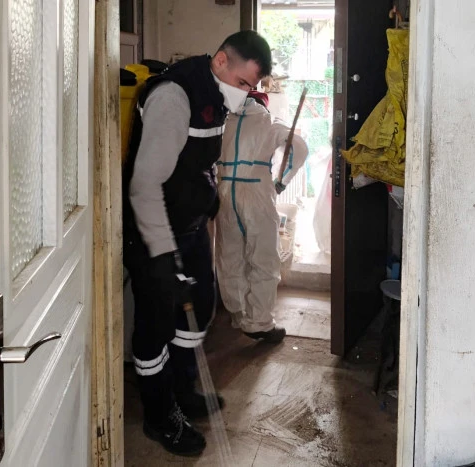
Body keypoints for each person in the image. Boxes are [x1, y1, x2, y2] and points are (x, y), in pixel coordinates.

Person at [122, 31, 272, 457]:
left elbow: (198, 162)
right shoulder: (174, 96)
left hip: (188, 228)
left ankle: (183, 390)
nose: (245, 95)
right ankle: (159, 416)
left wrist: (207, 207)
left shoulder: (217, 97)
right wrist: (162, 255)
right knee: (155, 327)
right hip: (154, 232)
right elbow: (145, 184)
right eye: (243, 83)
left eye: (252, 88)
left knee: (199, 309)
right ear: (221, 61)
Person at [215, 91, 309, 344]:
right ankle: (260, 322)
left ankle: (237, 313)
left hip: (225, 189)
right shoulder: (269, 121)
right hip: (257, 189)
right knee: (264, 257)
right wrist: (283, 180)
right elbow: (300, 148)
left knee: (230, 255)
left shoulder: (224, 120)